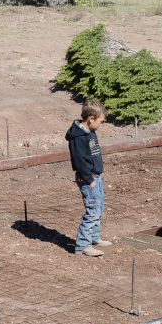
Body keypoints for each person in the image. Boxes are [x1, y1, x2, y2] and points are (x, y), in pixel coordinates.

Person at [66, 100, 113, 257]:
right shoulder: (78, 137)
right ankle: (83, 245)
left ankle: (94, 238)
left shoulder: (89, 132)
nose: (101, 124)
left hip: (95, 176)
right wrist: (90, 179)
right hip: (88, 178)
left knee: (98, 208)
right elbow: (79, 161)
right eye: (101, 121)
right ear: (91, 118)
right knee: (92, 210)